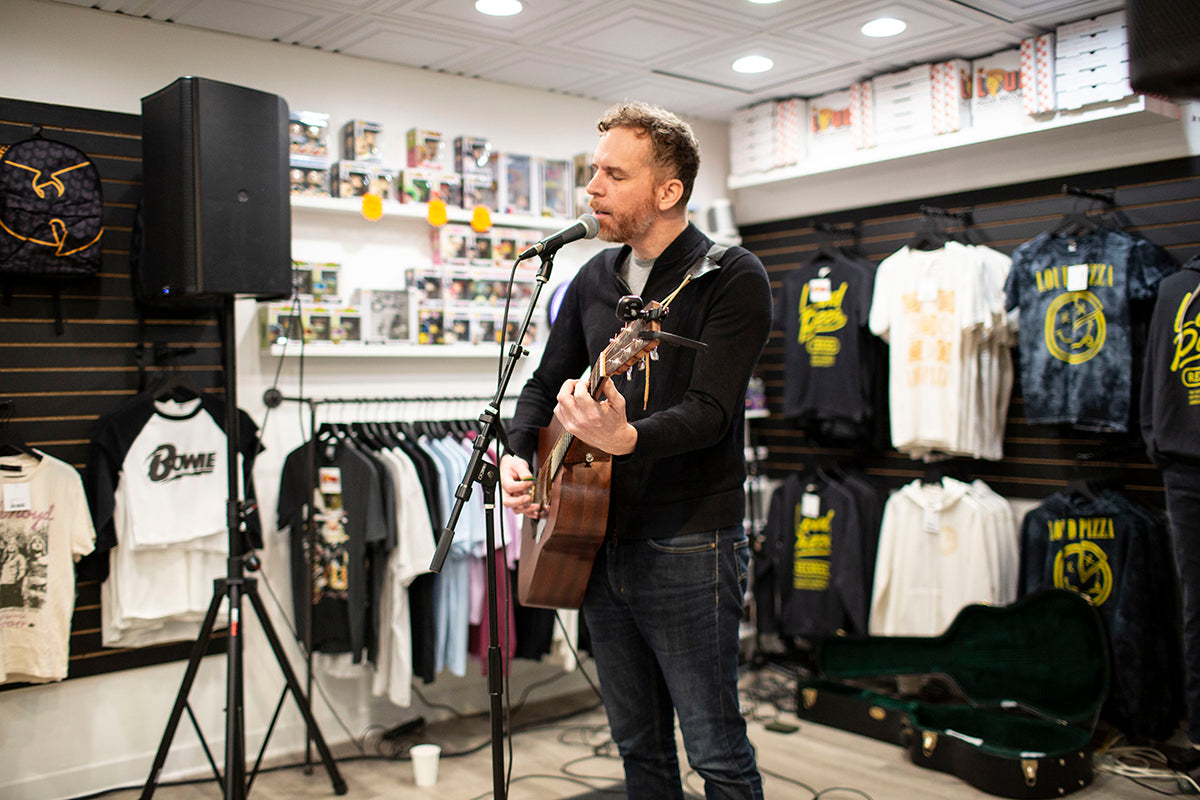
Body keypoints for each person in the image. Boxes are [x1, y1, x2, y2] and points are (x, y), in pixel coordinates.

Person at [499, 102, 771, 800]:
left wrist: (628, 440)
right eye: (594, 171)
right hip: (596, 538)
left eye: (614, 175)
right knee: (637, 749)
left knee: (715, 750)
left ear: (667, 191)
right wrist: (521, 455)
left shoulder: (730, 276)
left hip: (689, 544)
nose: (592, 188)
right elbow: (540, 386)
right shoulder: (593, 277)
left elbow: (711, 413)